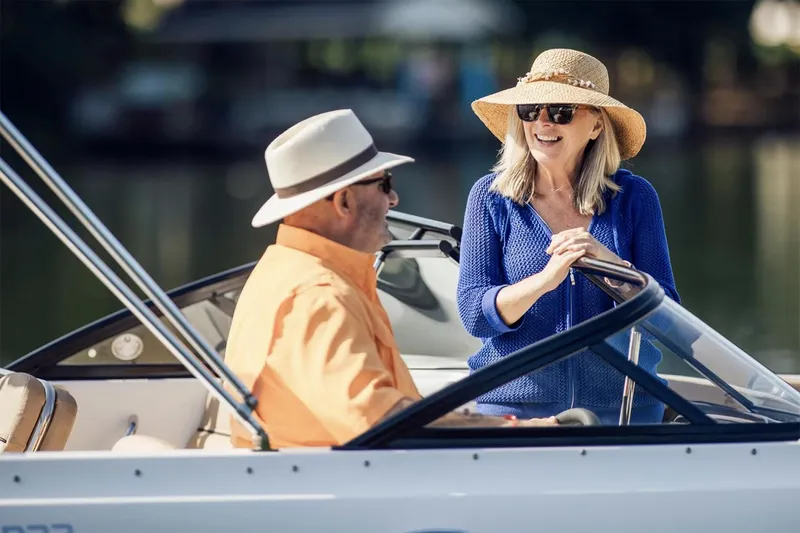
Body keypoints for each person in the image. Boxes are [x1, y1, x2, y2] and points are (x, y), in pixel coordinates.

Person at [224, 109, 558, 449]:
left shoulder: (278, 270)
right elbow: (382, 421)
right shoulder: (322, 297)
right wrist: (514, 429)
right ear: (343, 201)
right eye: (384, 184)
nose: (394, 199)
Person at [456, 48, 681, 425]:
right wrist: (545, 280)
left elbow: (667, 321)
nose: (543, 122)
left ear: (596, 126)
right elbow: (475, 315)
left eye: (560, 112)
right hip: (516, 413)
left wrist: (610, 265)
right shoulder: (490, 197)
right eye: (530, 111)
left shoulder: (635, 198)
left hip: (626, 410)